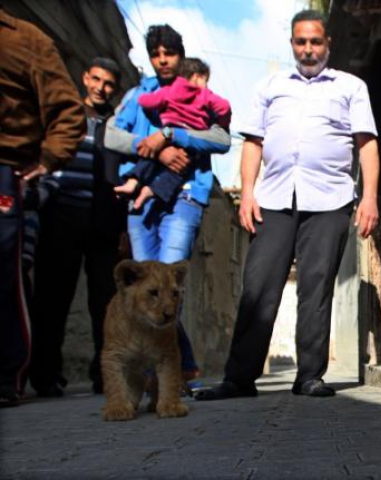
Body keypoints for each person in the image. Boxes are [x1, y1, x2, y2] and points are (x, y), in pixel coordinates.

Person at [195, 9, 379, 400]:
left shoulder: (351, 87)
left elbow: (366, 143)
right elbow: (254, 143)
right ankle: (238, 379)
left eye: (315, 41)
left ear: (327, 43)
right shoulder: (270, 86)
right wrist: (247, 192)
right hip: (276, 199)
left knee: (316, 287)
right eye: (301, 42)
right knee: (258, 286)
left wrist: (370, 198)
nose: (308, 49)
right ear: (292, 43)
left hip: (330, 199)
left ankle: (309, 376)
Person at [104, 25, 231, 382]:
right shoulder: (138, 94)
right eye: (156, 54)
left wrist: (174, 134)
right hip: (142, 201)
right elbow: (112, 134)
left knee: (171, 285)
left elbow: (222, 139)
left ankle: (175, 369)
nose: (162, 60)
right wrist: (155, 149)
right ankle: (172, 368)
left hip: (186, 195)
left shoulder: (196, 94)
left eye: (169, 53)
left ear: (180, 54)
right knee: (147, 289)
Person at [0, 6, 86, 407]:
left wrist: (46, 162)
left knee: (6, 278)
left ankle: (6, 376)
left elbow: (68, 112)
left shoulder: (27, 40)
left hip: (7, 172)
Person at [27, 57, 126, 397]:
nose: (101, 88)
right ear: (85, 79)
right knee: (52, 299)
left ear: (115, 87)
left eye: (109, 83)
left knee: (105, 303)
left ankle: (105, 376)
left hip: (102, 221)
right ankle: (46, 376)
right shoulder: (65, 114)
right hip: (61, 216)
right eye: (96, 79)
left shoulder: (118, 122)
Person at [115, 57, 231, 210]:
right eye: (206, 80)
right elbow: (225, 107)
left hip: (167, 131)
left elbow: (149, 101)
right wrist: (223, 121)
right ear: (198, 76)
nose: (206, 85)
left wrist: (142, 99)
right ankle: (151, 191)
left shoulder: (168, 90)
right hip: (187, 137)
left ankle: (132, 182)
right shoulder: (205, 95)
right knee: (179, 170)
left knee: (149, 159)